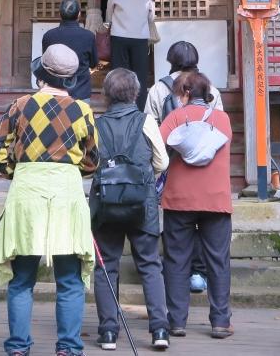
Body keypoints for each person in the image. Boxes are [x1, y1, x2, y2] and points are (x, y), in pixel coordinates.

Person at [0, 43, 99, 356]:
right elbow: (92, 158)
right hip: (66, 193)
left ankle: (18, 347)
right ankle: (68, 348)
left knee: (22, 278)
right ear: (70, 78)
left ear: (41, 73)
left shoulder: (20, 105)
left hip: (27, 191)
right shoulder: (82, 110)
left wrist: (16, 170)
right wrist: (72, 168)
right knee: (70, 280)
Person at [90, 68, 170, 351]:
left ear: (106, 94)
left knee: (106, 267)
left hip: (106, 203)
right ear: (136, 93)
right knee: (150, 265)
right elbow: (162, 162)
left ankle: (108, 332)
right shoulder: (146, 121)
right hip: (141, 202)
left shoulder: (96, 124)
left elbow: (90, 164)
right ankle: (160, 329)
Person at [159, 71, 234, 340]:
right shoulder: (223, 119)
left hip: (179, 198)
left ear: (187, 93)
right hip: (216, 199)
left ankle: (176, 321)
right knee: (218, 260)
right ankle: (220, 321)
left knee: (176, 260)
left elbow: (157, 149)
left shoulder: (175, 118)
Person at [142, 40, 221, 295]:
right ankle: (198, 273)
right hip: (205, 162)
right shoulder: (210, 88)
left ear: (170, 60)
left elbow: (149, 127)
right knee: (201, 217)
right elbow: (219, 124)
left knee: (175, 219)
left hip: (170, 162)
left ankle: (176, 274)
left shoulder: (158, 89)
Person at [104, 0, 155, 103]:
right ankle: (139, 106)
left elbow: (109, 13)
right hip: (140, 38)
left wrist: (109, 24)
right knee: (140, 74)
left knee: (119, 73)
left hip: (119, 36)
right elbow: (151, 17)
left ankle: (118, 104)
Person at [40, 0, 96, 102]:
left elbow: (45, 63)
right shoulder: (89, 36)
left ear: (60, 14)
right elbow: (93, 63)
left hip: (55, 92)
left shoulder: (49, 36)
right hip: (81, 92)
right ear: (79, 14)